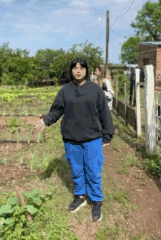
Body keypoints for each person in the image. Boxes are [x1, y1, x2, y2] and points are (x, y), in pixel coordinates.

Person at [34, 58, 114, 222]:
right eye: (75, 68)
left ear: (86, 70)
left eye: (82, 68)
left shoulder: (95, 90)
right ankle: (80, 196)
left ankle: (96, 200)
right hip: (71, 138)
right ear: (71, 71)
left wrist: (108, 134)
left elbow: (105, 113)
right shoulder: (65, 91)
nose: (78, 71)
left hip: (92, 138)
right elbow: (57, 110)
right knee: (77, 170)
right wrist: (46, 119)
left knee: (93, 171)